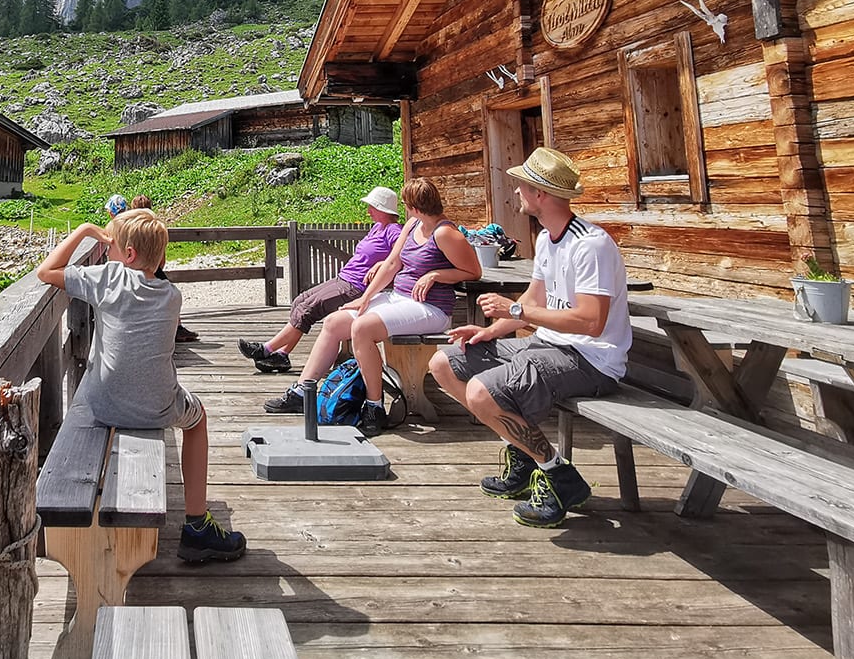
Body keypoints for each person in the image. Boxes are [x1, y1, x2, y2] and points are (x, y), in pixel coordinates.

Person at [427, 148, 632, 527]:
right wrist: (489, 331)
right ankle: (522, 454)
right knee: (445, 362)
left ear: (541, 193)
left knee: (482, 392)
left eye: (522, 185)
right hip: (548, 346)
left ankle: (559, 477)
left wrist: (516, 313)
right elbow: (533, 300)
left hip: (591, 360)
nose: (517, 192)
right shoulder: (547, 240)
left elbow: (591, 323)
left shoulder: (591, 245)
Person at [36, 208, 246, 563]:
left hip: (103, 405)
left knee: (98, 383)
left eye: (110, 246)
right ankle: (197, 524)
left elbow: (46, 271)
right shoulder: (171, 295)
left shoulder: (106, 279)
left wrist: (86, 230)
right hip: (158, 408)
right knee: (197, 419)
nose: (106, 251)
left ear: (128, 254)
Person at [263, 178, 481, 434]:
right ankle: (304, 392)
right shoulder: (413, 225)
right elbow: (391, 264)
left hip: (431, 308)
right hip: (399, 298)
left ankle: (374, 406)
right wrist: (365, 298)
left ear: (415, 206)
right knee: (334, 322)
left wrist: (436, 275)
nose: (404, 209)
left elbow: (473, 271)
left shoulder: (445, 233)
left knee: (362, 328)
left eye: (406, 204)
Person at [237, 186, 403, 373]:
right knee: (300, 300)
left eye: (372, 206)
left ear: (382, 209)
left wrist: (381, 264)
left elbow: (404, 256)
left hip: (357, 286)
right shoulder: (378, 227)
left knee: (308, 308)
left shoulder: (394, 230)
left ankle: (266, 349)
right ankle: (282, 355)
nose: (368, 211)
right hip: (344, 278)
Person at [115, 193, 198, 343]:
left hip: (131, 268)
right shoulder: (155, 226)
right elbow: (162, 257)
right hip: (152, 268)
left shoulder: (129, 226)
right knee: (166, 294)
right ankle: (176, 327)